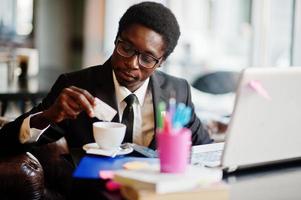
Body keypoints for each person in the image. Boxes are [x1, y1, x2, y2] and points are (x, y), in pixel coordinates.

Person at [0, 2, 212, 156]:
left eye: (147, 58)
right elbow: (5, 142)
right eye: (126, 48)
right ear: (115, 40)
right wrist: (47, 115)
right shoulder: (75, 86)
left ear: (161, 61)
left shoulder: (178, 91)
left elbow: (206, 149)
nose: (132, 63)